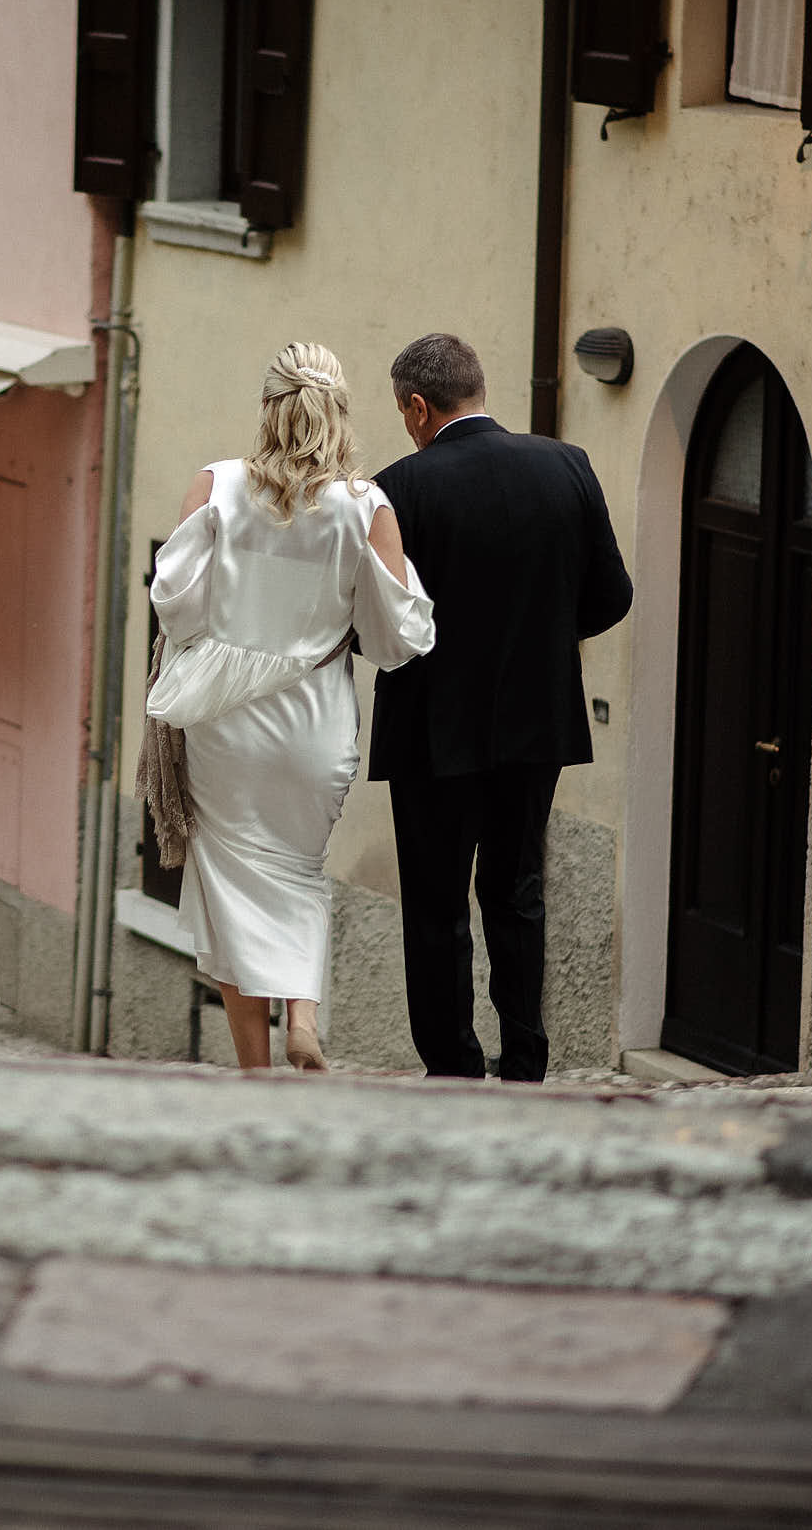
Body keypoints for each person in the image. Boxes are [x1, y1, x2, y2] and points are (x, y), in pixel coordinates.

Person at [147, 342, 437, 1071]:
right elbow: (397, 638)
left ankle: (256, 1069)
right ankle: (302, 1016)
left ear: (267, 408)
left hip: (225, 724)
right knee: (300, 874)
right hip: (316, 723)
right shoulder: (366, 506)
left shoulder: (216, 485)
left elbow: (176, 605)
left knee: (231, 888)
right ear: (338, 413)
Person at [369, 332, 632, 1081]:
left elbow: (374, 622)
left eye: (404, 413)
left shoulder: (397, 489)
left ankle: (453, 1064)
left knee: (436, 903)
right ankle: (524, 1057)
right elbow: (612, 595)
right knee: (517, 893)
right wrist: (543, 643)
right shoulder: (567, 466)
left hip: (431, 728)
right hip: (536, 721)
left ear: (418, 407)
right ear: (478, 389)